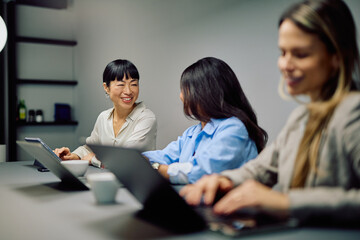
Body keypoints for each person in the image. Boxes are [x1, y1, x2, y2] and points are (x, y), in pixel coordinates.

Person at [180, 0, 360, 225]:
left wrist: (286, 202)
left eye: (300, 54)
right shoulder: (301, 118)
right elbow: (260, 169)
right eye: (283, 52)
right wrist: (224, 180)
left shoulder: (353, 111)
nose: (285, 64)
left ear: (337, 57)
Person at [143, 57, 268, 184]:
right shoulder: (193, 132)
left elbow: (203, 171)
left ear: (207, 92)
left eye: (186, 90)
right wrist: (139, 160)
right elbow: (164, 156)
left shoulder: (234, 128)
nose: (181, 96)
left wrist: (160, 169)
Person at [54, 59, 157, 168]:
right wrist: (72, 156)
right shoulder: (103, 117)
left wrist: (93, 159)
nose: (128, 91)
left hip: (138, 182)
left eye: (134, 84)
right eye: (121, 84)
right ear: (106, 88)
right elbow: (89, 148)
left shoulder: (146, 118)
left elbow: (126, 158)